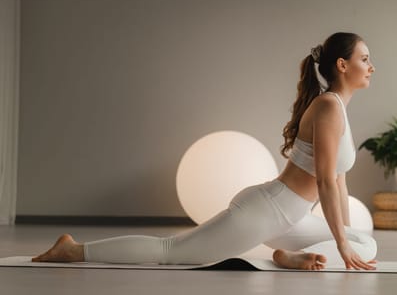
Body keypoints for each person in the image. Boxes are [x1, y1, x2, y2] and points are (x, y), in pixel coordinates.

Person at [32, 32, 377, 271]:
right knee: (172, 252)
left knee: (365, 242)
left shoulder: (339, 109)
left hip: (293, 217)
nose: (371, 66)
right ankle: (74, 250)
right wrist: (341, 247)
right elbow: (327, 184)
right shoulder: (328, 108)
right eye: (364, 58)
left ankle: (289, 256)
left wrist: (344, 239)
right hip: (266, 212)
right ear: (342, 65)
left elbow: (340, 181)